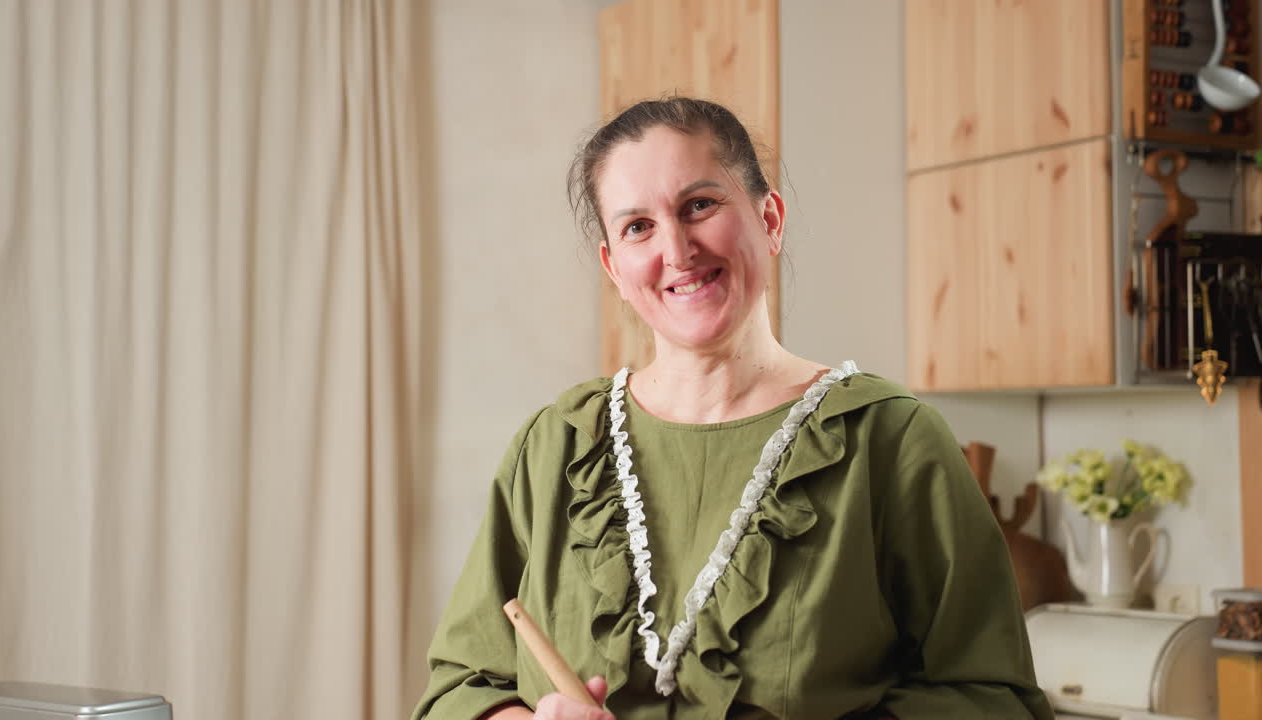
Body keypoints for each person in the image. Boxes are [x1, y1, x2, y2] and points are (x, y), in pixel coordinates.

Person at [412, 97, 1053, 720]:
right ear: (614, 267)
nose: (678, 250)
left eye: (699, 205)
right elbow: (457, 690)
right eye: (638, 226)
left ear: (770, 219)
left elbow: (993, 699)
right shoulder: (556, 447)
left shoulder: (889, 440)